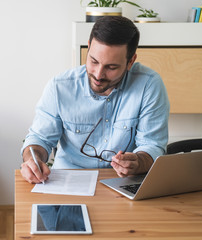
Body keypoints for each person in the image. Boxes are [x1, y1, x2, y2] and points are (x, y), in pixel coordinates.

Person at [21, 16, 169, 184]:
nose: (98, 74)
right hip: (68, 181)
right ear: (89, 47)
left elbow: (153, 145)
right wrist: (32, 160)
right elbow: (39, 139)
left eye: (111, 67)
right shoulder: (60, 87)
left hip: (124, 183)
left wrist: (138, 162)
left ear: (130, 61)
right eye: (93, 61)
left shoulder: (149, 85)